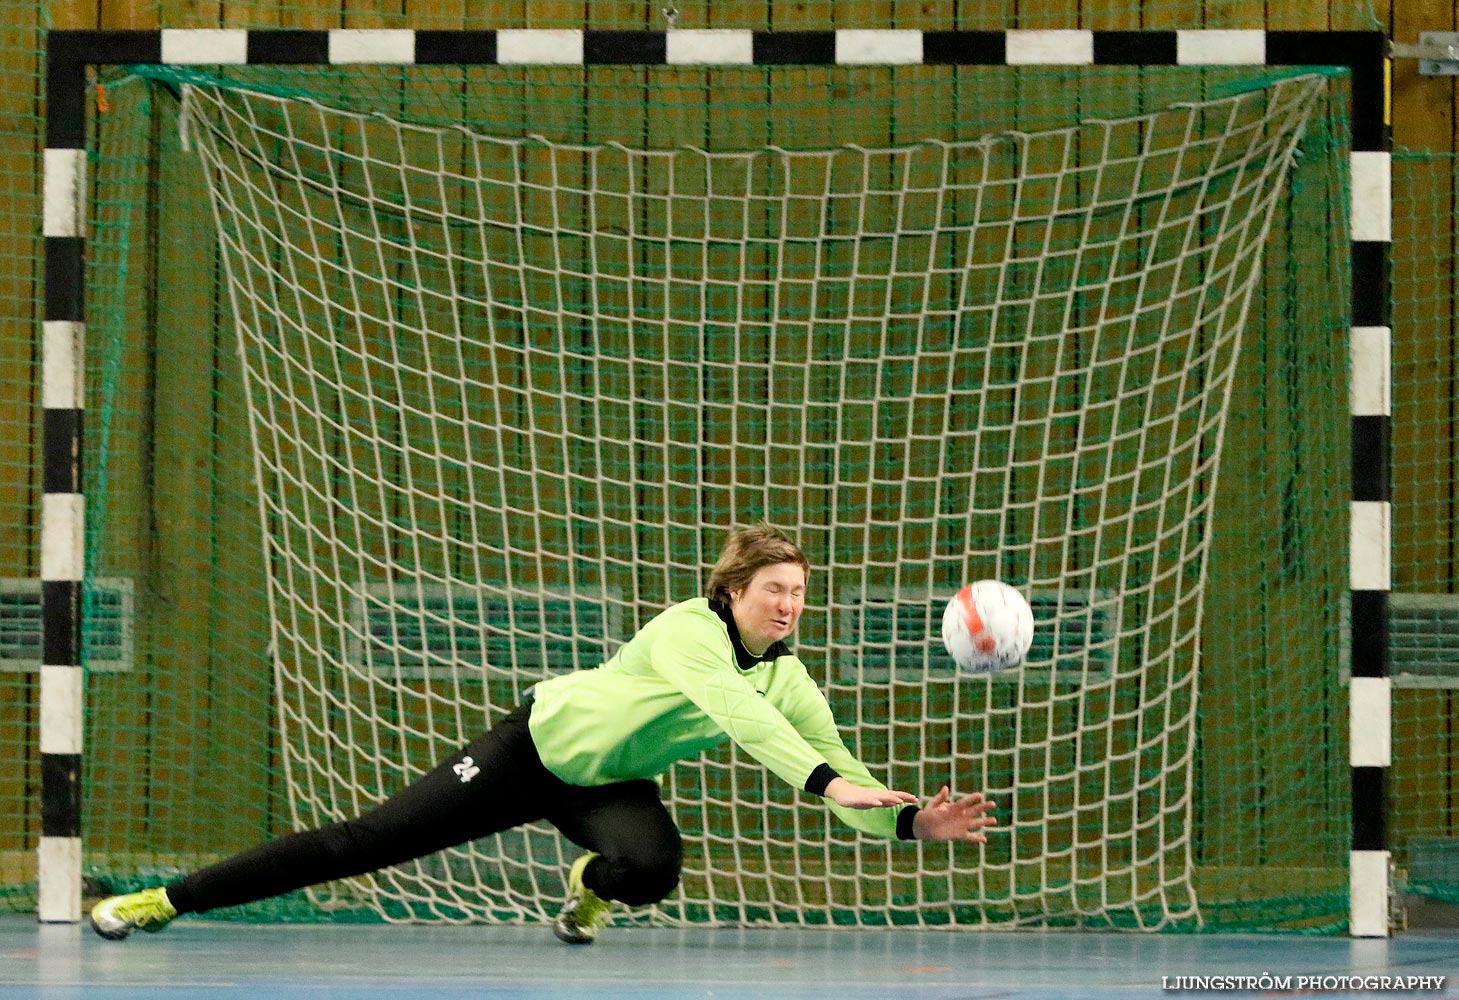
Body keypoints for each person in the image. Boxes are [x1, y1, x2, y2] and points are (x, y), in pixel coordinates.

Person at [89, 522, 998, 945]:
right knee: (361, 842)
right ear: (731, 592)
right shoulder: (689, 629)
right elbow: (738, 716)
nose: (790, 606)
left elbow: (840, 766)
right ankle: (168, 900)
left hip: (611, 784)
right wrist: (825, 784)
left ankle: (586, 887)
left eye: (798, 593)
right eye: (774, 590)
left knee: (648, 873)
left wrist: (909, 820)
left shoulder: (791, 678)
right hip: (529, 751)